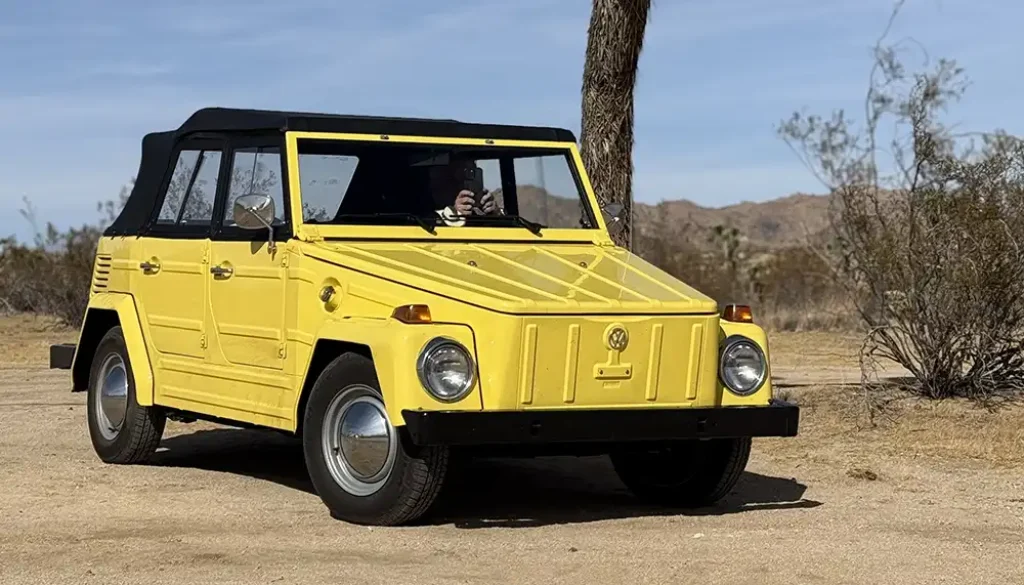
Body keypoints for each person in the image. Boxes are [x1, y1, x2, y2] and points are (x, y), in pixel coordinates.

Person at [427, 157, 501, 225]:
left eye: (472, 172)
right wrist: (454, 213)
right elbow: (430, 226)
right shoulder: (427, 218)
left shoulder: (479, 207)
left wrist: (496, 214)